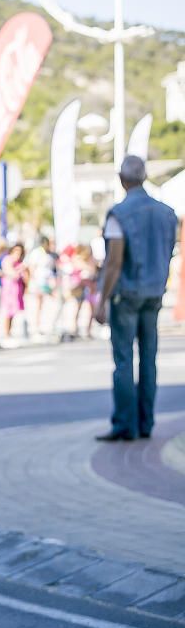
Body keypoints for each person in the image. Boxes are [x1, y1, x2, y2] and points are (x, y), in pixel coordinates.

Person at [94, 155, 178, 441]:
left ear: (121, 179)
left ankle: (124, 424)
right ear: (143, 177)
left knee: (124, 360)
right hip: (154, 292)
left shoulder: (119, 213)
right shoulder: (167, 213)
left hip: (127, 294)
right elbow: (167, 252)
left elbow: (114, 261)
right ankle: (146, 423)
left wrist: (101, 298)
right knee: (149, 359)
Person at [25, 236, 58, 336]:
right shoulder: (36, 253)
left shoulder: (50, 254)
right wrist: (34, 281)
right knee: (37, 305)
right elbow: (32, 268)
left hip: (48, 282)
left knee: (48, 304)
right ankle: (36, 327)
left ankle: (47, 326)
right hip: (39, 281)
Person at [0, 243, 27, 342]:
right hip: (9, 289)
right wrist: (20, 269)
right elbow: (12, 274)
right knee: (8, 311)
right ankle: (6, 333)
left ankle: (10, 332)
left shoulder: (19, 262)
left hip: (17, 289)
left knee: (14, 312)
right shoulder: (7, 260)